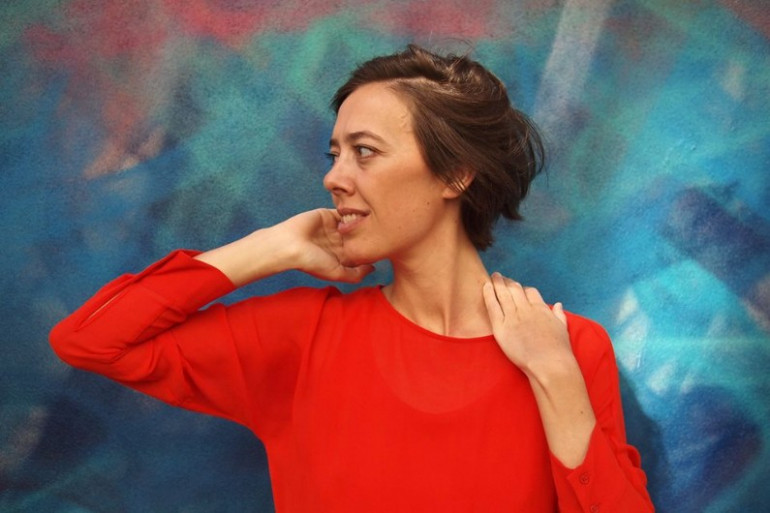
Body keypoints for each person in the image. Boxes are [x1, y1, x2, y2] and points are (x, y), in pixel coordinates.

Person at [50, 44, 654, 512]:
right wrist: (266, 247)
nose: (334, 178)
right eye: (334, 154)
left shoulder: (570, 349)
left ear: (456, 174)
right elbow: (91, 340)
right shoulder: (302, 336)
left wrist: (555, 377)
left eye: (364, 151)